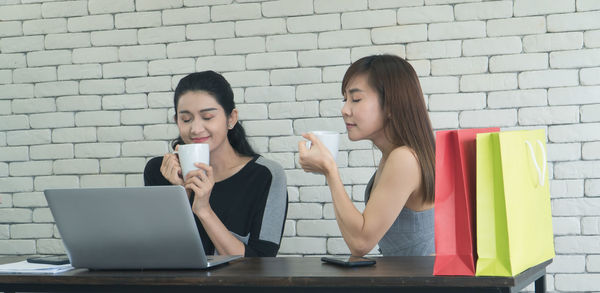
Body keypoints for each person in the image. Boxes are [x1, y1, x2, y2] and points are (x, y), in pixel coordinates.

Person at [298, 55, 435, 257]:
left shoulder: (404, 158)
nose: (344, 110)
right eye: (345, 100)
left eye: (356, 99)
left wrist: (330, 171)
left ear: (390, 105)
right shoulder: (392, 155)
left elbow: (360, 243)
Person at [144, 71, 288, 257]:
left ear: (231, 119)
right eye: (186, 119)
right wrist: (180, 195)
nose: (195, 129)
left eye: (208, 117)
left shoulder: (265, 175)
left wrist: (203, 209)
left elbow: (261, 262)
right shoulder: (160, 170)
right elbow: (158, 253)